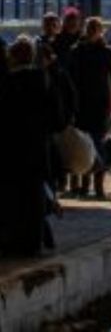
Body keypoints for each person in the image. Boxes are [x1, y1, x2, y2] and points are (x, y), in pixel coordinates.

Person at [0, 37, 64, 256]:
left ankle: (13, 240)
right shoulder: (44, 81)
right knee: (35, 194)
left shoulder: (6, 83)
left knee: (12, 195)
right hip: (37, 147)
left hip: (10, 150)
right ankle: (33, 243)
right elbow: (58, 118)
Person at [69, 17, 111, 199]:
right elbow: (69, 79)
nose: (92, 32)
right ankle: (85, 182)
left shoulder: (106, 53)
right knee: (84, 143)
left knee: (97, 142)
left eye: (95, 29)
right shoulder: (77, 51)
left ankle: (96, 184)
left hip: (99, 105)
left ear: (100, 32)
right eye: (89, 28)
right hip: (81, 104)